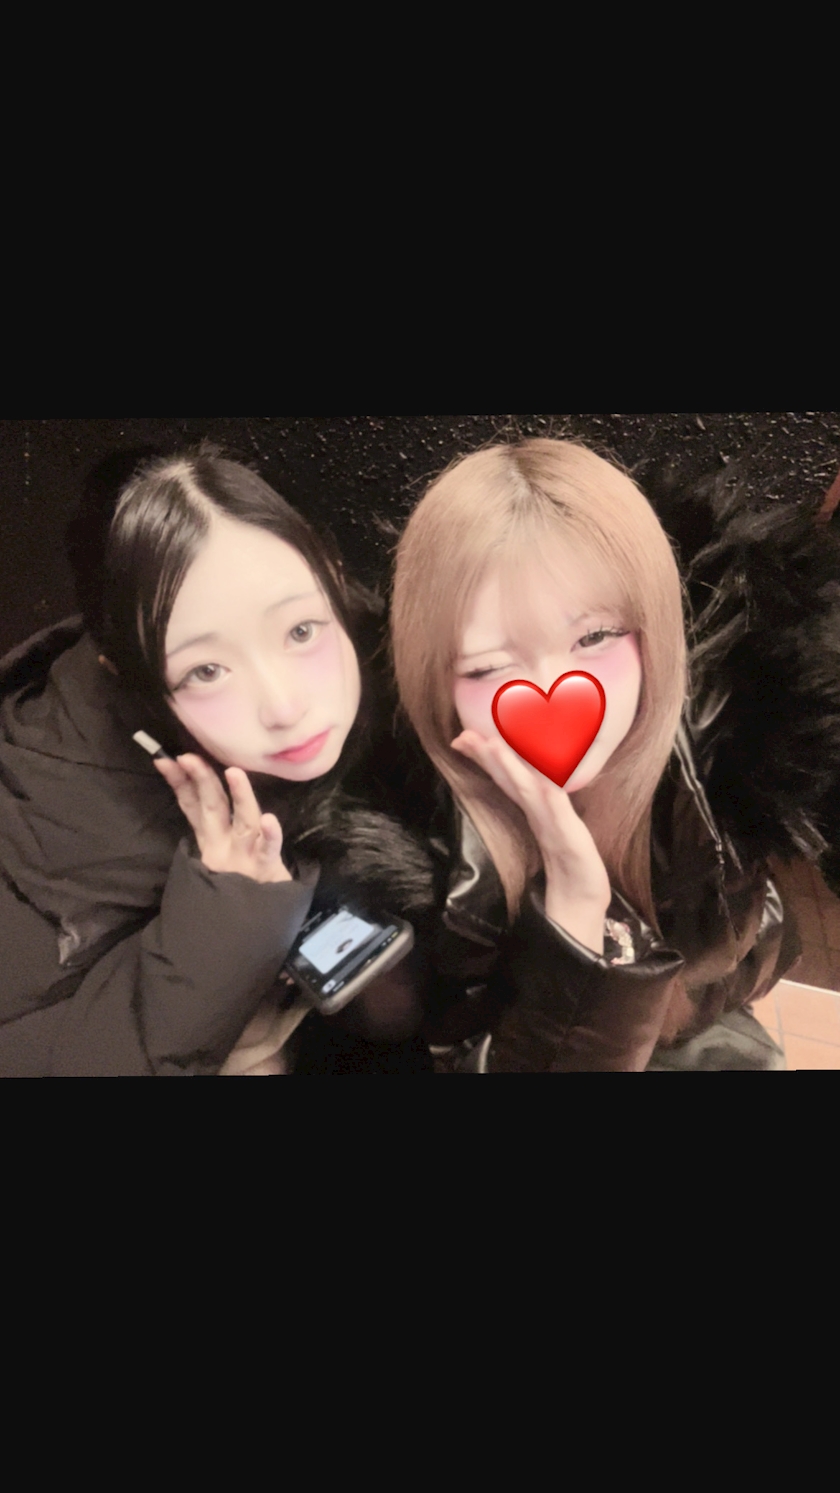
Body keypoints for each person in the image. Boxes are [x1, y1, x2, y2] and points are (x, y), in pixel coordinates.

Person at [390, 438, 840, 1073]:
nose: (555, 691)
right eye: (488, 666)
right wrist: (577, 925)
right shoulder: (425, 878)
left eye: (595, 636)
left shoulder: (726, 765)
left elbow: (747, 966)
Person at [0, 448, 436, 1076]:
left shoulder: (389, 657)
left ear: (332, 576)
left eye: (300, 631)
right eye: (207, 670)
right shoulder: (56, 816)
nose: (284, 707)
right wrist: (223, 926)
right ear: (129, 676)